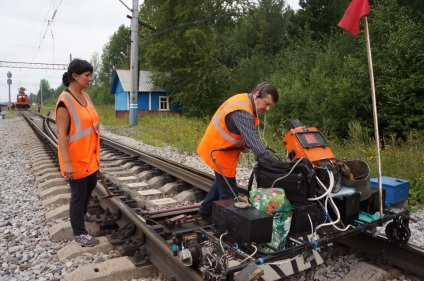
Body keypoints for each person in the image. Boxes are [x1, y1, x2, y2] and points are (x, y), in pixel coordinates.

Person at [197, 82, 279, 219]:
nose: (268, 108)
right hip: (219, 151)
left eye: (270, 106)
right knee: (229, 195)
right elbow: (253, 138)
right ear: (257, 95)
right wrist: (271, 163)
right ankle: (228, 229)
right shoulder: (242, 111)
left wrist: (242, 145)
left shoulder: (244, 100)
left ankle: (204, 212)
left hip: (223, 149)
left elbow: (237, 131)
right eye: (266, 103)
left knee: (221, 183)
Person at [55, 58, 100, 247]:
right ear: (75, 76)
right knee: (78, 195)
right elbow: (62, 136)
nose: (90, 79)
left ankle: (83, 212)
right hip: (75, 159)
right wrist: (66, 163)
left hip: (90, 155)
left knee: (91, 185)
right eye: (87, 75)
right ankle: (79, 233)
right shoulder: (64, 102)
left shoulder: (85, 96)